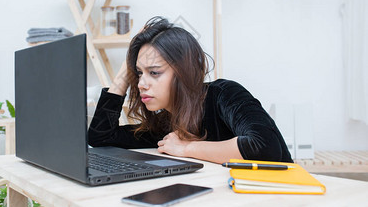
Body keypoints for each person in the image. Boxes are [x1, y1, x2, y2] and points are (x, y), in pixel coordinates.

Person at [88, 17, 293, 163]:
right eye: (139, 73)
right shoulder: (168, 124)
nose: (141, 83)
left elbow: (265, 147)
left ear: (183, 72)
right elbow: (101, 138)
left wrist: (187, 148)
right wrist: (127, 67)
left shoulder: (224, 94)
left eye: (155, 73)